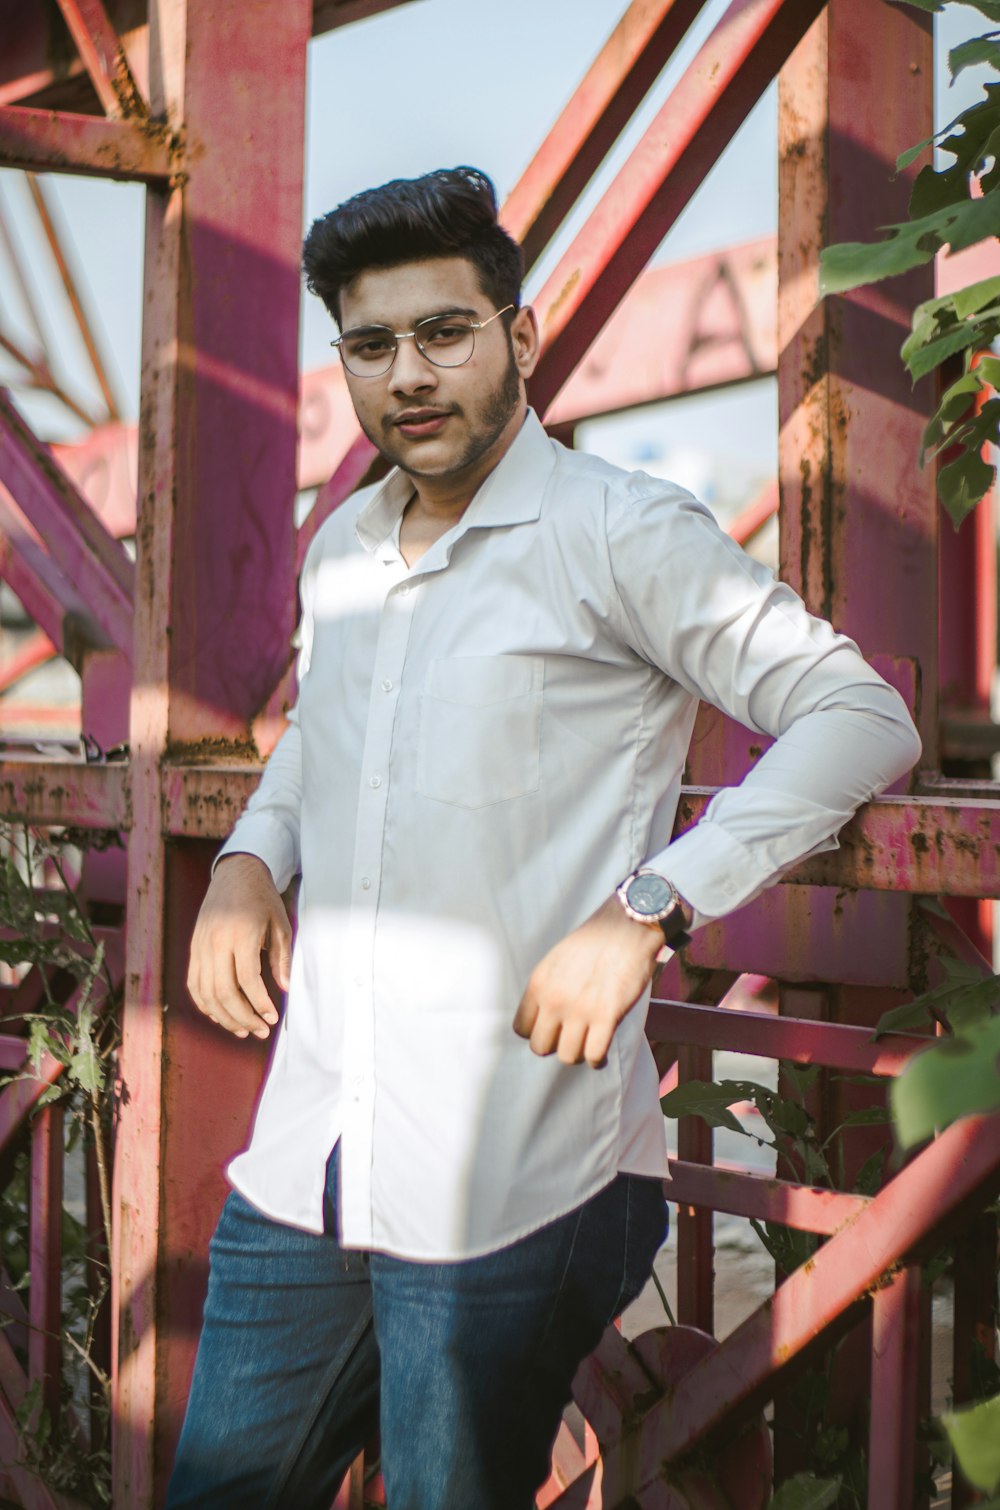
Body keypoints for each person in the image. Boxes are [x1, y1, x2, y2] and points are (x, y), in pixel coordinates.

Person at [168, 166, 921, 1509]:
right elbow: (323, 736)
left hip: (510, 1167)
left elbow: (856, 712)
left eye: (446, 332)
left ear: (520, 336)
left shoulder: (619, 533)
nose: (411, 372)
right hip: (311, 1154)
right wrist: (247, 857)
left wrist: (650, 907)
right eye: (373, 343)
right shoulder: (342, 546)